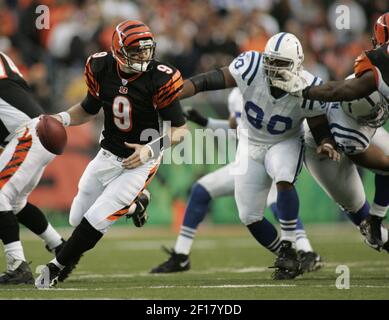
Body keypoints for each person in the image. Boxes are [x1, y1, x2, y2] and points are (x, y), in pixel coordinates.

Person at [35, 20, 188, 289]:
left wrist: (149, 150)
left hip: (141, 161)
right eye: (137, 51)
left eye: (147, 50)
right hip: (107, 154)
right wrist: (59, 118)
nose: (144, 56)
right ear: (119, 50)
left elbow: (180, 131)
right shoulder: (100, 66)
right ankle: (134, 203)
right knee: (76, 218)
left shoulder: (160, 77)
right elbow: (87, 108)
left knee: (95, 220)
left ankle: (57, 267)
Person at [176, 32, 339, 280]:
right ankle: (289, 256)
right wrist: (180, 90)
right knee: (249, 216)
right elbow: (210, 79)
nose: (273, 68)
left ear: (297, 62)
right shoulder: (251, 67)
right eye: (270, 61)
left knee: (283, 177)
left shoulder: (309, 86)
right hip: (250, 144)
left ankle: (288, 245)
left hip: (283, 142)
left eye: (281, 64)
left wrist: (326, 142)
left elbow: (318, 126)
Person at [151, 88, 322, 275]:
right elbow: (238, 128)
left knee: (276, 203)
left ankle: (306, 251)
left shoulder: (278, 92)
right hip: (248, 162)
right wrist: (204, 121)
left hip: (274, 158)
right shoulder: (235, 95)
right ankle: (181, 255)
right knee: (201, 190)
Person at [271, 13, 389, 248]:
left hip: (363, 124)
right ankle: (375, 224)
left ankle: (375, 220)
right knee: (362, 216)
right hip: (324, 146)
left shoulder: (375, 67)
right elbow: (338, 92)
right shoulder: (352, 120)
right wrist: (304, 91)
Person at [0, 51, 76, 284]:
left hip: (30, 133)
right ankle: (61, 249)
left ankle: (18, 265)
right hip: (35, 132)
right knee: (15, 203)